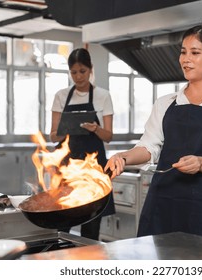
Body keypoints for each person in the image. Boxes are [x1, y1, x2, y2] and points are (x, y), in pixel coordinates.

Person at [105, 25, 202, 242]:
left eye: (195, 52)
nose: (186, 59)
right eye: (183, 52)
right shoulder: (165, 103)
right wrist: (123, 157)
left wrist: (201, 163)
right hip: (162, 204)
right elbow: (149, 147)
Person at [50, 48, 115, 240]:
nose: (78, 77)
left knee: (91, 221)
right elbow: (53, 136)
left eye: (82, 71)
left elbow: (109, 136)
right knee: (62, 219)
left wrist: (95, 128)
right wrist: (69, 127)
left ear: (91, 69)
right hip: (67, 165)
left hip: (93, 166)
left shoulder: (103, 96)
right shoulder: (61, 96)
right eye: (73, 72)